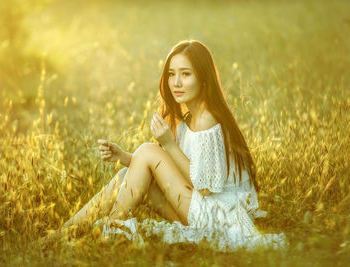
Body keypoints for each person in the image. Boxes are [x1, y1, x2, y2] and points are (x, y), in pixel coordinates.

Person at [41, 40, 287, 251]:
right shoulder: (190, 115)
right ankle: (60, 235)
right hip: (197, 209)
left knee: (149, 150)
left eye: (185, 74)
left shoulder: (207, 118)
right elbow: (171, 169)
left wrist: (168, 145)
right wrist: (125, 156)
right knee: (125, 174)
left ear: (203, 78)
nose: (176, 82)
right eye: (171, 74)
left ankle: (110, 230)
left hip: (218, 218)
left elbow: (202, 187)